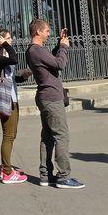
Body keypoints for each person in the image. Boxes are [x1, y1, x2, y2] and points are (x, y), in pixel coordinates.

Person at [27, 18, 84, 189]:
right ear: (38, 32)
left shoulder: (36, 51)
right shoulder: (36, 50)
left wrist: (60, 45)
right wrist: (64, 47)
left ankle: (45, 175)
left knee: (47, 137)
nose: (48, 33)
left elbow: (50, 62)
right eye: (46, 31)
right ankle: (63, 176)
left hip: (46, 97)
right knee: (61, 136)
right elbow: (59, 64)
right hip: (51, 98)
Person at [0, 29, 30, 183]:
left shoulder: (1, 57)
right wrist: (5, 44)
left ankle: (6, 167)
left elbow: (8, 77)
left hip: (12, 98)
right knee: (9, 135)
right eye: (8, 38)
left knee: (11, 134)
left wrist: (22, 77)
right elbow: (15, 59)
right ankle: (7, 172)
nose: (11, 40)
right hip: (6, 100)